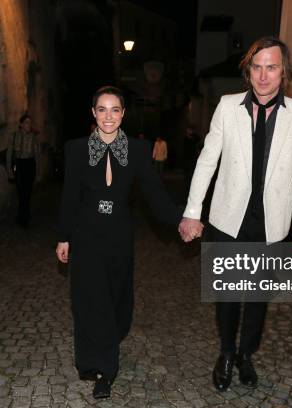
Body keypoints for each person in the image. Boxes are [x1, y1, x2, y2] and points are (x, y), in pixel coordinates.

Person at [178, 37, 292, 391]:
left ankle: (246, 354)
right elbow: (207, 160)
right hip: (228, 219)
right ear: (248, 71)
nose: (264, 75)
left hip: (271, 224)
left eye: (272, 67)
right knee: (227, 294)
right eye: (257, 67)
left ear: (284, 72)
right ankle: (225, 352)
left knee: (257, 297)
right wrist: (193, 211)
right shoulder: (227, 106)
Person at [56, 86, 186, 399]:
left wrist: (181, 219)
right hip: (86, 235)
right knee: (89, 300)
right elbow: (70, 196)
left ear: (124, 113)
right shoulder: (76, 149)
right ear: (93, 113)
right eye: (102, 109)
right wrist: (63, 236)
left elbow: (154, 192)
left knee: (115, 299)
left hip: (118, 236)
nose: (108, 116)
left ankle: (100, 352)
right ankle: (103, 369)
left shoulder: (140, 150)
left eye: (115, 109)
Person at [7, 114, 39, 227]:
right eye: (26, 122)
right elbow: (9, 153)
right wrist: (9, 171)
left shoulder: (33, 137)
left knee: (28, 192)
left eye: (30, 123)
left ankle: (24, 217)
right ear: (21, 124)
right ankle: (23, 216)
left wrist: (37, 172)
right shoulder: (15, 136)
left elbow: (36, 155)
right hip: (19, 165)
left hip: (30, 165)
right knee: (21, 192)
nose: (29, 125)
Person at [182, 126, 201, 198]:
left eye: (190, 130)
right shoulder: (185, 139)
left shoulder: (194, 138)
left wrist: (193, 134)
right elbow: (184, 149)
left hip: (193, 160)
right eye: (188, 130)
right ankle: (187, 190)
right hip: (187, 160)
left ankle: (192, 189)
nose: (189, 132)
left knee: (192, 175)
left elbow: (198, 139)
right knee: (187, 177)